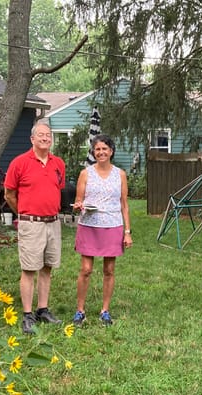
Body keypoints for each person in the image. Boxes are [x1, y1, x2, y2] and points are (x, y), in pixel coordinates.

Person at [4, 121, 65, 334]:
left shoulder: (58, 163)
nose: (46, 138)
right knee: (29, 269)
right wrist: (24, 212)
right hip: (32, 224)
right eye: (41, 135)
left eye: (48, 135)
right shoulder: (19, 163)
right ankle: (28, 315)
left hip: (53, 223)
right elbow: (9, 194)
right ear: (32, 139)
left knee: (47, 268)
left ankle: (43, 310)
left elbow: (57, 189)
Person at [71, 134, 132, 326]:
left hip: (112, 225)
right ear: (93, 152)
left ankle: (105, 310)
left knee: (109, 270)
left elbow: (124, 204)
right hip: (89, 224)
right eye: (97, 149)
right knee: (86, 269)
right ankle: (80, 310)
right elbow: (78, 201)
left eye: (105, 149)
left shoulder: (120, 174)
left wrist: (127, 232)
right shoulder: (86, 173)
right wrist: (78, 206)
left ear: (111, 152)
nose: (101, 152)